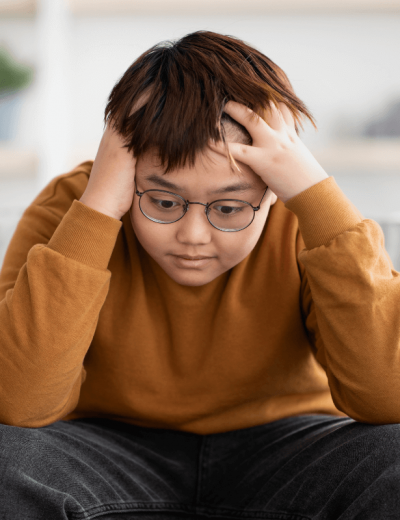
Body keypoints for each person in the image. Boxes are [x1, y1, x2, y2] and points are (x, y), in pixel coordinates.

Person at [0, 29, 399, 520]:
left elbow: (388, 395)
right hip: (107, 441)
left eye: (230, 208)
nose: (192, 235)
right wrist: (100, 205)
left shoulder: (304, 216)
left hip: (287, 444)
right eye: (164, 201)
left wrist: (314, 194)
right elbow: (17, 402)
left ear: (273, 189)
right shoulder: (76, 206)